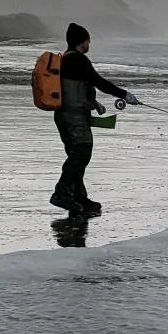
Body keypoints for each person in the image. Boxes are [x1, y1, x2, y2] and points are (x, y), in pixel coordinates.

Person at [50, 21, 140, 216]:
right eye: (88, 41)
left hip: (66, 115)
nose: (89, 44)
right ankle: (62, 192)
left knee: (77, 155)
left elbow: (75, 88)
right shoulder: (78, 60)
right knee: (81, 152)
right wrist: (124, 94)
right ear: (82, 42)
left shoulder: (66, 59)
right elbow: (99, 82)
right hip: (72, 117)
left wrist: (95, 104)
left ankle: (78, 197)